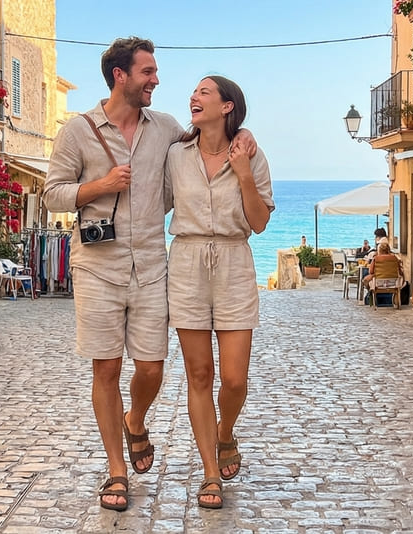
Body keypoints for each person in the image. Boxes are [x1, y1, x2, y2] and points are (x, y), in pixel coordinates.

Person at [42, 38, 255, 512]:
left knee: (152, 367)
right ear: (121, 76)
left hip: (155, 265)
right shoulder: (77, 131)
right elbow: (52, 194)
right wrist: (100, 185)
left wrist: (246, 138)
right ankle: (116, 472)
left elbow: (209, 148)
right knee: (107, 366)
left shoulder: (168, 129)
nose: (156, 80)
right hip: (98, 264)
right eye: (148, 72)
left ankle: (135, 419)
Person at [165, 75, 273, 509]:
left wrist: (244, 172)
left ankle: (226, 432)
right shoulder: (176, 153)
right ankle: (211, 471)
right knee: (199, 375)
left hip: (233, 261)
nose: (194, 96)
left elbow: (260, 222)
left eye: (204, 92)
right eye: (194, 92)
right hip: (187, 263)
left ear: (228, 106)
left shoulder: (251, 153)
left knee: (234, 379)